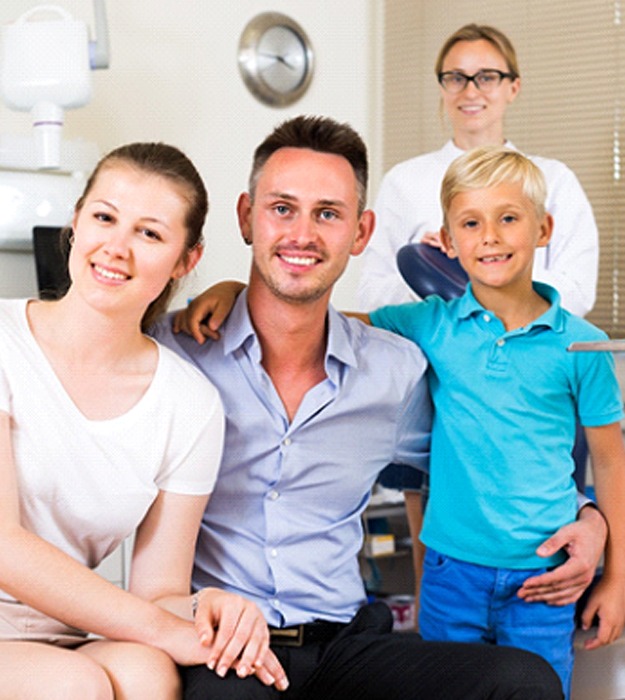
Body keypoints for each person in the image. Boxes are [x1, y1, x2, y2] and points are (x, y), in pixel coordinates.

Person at [156, 115, 570, 699]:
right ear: (247, 215)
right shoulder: (178, 352)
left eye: (327, 213)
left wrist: (589, 515)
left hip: (347, 645)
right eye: (282, 209)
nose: (303, 233)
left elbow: (484, 451)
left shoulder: (393, 372)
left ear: (361, 231)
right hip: (224, 643)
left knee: (521, 681)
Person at [0, 142, 285, 700]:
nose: (117, 248)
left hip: (55, 635)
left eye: (150, 234)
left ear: (186, 261)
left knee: (147, 673)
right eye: (105, 218)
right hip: (45, 655)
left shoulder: (190, 405)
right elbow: (3, 547)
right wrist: (170, 633)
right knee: (75, 685)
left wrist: (208, 606)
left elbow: (159, 592)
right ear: (76, 221)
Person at [362, 145, 625, 698]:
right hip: (449, 576)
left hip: (546, 577)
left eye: (509, 218)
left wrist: (619, 579)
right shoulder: (428, 324)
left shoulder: (583, 345)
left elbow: (610, 459)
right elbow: (327, 324)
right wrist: (233, 294)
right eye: (471, 224)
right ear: (450, 241)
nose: (490, 237)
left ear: (544, 228)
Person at [357, 23, 598, 318]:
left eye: (486, 77)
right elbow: (371, 296)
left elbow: (578, 292)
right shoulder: (403, 181)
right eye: (456, 78)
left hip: (524, 353)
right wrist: (431, 270)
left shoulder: (555, 180)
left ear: (513, 87)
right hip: (427, 358)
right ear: (443, 87)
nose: (470, 91)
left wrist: (479, 268)